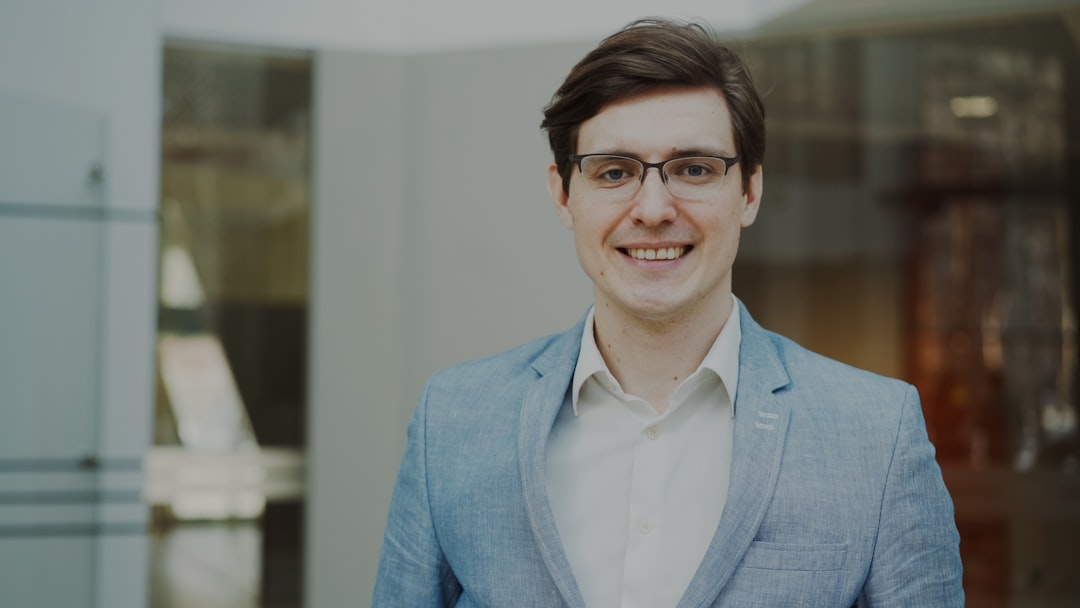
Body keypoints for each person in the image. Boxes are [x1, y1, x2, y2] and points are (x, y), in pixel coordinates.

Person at [373, 18, 963, 607]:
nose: (653, 209)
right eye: (614, 172)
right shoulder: (452, 422)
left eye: (694, 169)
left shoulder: (877, 435)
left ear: (750, 191)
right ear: (563, 194)